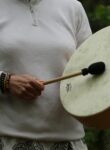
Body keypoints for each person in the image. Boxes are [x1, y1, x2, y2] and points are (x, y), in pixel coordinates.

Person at [0, 0, 92, 149]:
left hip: (69, 141)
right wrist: (6, 81)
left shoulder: (72, 7)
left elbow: (90, 67)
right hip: (7, 141)